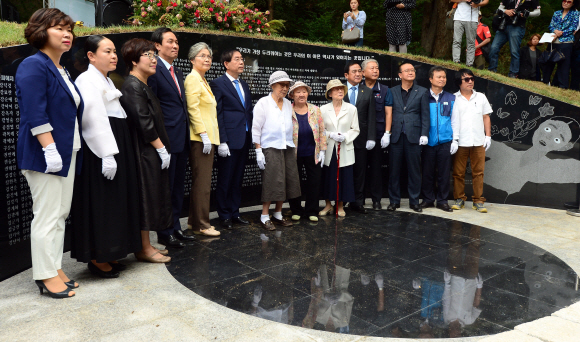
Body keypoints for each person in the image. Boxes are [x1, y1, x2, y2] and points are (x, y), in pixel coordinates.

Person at [16, 8, 82, 298]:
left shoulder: (61, 69)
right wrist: (50, 148)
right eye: (58, 28)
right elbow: (34, 110)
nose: (66, 34)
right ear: (42, 31)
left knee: (59, 214)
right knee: (47, 215)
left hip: (67, 152)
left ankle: (54, 267)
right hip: (45, 154)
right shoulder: (34, 64)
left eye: (68, 28)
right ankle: (44, 275)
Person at [70, 35, 141, 278]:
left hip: (116, 143)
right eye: (107, 51)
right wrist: (107, 154)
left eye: (114, 52)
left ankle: (111, 252)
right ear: (90, 56)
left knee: (116, 201)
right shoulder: (87, 79)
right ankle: (96, 257)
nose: (113, 56)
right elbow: (94, 120)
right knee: (102, 203)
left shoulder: (107, 80)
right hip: (100, 149)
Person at [120, 38, 172, 263]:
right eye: (148, 55)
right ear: (133, 60)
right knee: (146, 199)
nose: (154, 60)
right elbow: (143, 122)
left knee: (153, 198)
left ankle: (147, 244)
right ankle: (144, 248)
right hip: (144, 153)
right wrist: (160, 148)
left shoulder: (142, 84)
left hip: (150, 151)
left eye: (154, 55)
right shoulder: (132, 86)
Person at [148, 27, 196, 247]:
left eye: (176, 42)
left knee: (178, 187)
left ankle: (176, 227)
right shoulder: (153, 69)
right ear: (157, 45)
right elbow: (152, 106)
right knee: (165, 189)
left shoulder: (176, 71)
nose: (175, 46)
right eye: (170, 42)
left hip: (181, 138)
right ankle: (164, 231)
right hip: (165, 139)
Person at [252, 71, 301, 230]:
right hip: (270, 147)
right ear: (273, 85)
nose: (285, 88)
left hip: (286, 146)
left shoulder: (287, 103)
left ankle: (278, 213)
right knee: (272, 181)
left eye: (287, 85)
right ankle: (264, 216)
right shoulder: (263, 103)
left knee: (286, 180)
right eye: (282, 85)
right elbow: (256, 128)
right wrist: (258, 150)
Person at [210, 49, 253, 230]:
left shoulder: (244, 84)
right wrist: (222, 141)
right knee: (225, 179)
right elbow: (218, 114)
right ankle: (224, 214)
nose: (241, 62)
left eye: (242, 59)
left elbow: (246, 112)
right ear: (226, 64)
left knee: (237, 179)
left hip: (244, 138)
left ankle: (235, 212)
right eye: (237, 59)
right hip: (228, 140)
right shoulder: (218, 84)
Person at [185, 42, 221, 237]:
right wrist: (203, 134)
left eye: (209, 56)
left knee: (201, 182)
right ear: (192, 60)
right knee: (203, 184)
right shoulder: (192, 79)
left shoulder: (202, 80)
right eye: (202, 55)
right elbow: (193, 108)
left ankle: (193, 221)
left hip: (208, 138)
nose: (207, 59)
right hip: (200, 139)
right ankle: (202, 225)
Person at [387, 62, 429, 213]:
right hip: (396, 136)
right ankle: (394, 201)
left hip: (414, 136)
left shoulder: (423, 91)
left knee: (414, 171)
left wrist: (424, 133)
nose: (411, 72)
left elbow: (425, 115)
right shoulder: (392, 91)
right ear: (400, 75)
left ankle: (414, 201)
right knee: (394, 171)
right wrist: (387, 133)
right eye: (407, 70)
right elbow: (389, 112)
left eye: (412, 70)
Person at [450, 69, 492, 213]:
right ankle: (459, 199)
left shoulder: (481, 97)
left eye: (472, 79)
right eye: (466, 79)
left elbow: (486, 117)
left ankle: (478, 200)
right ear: (459, 82)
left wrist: (488, 136)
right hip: (460, 141)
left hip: (478, 141)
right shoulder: (453, 98)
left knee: (478, 172)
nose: (470, 81)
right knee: (458, 173)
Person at [319, 79, 360, 217]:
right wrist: (331, 134)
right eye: (336, 89)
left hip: (345, 148)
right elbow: (320, 130)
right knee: (327, 177)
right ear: (330, 93)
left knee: (343, 177)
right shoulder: (323, 109)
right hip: (329, 148)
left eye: (341, 89)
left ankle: (340, 205)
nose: (340, 91)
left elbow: (356, 129)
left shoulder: (351, 109)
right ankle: (328, 205)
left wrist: (345, 136)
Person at [287, 81, 327, 222]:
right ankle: (296, 210)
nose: (301, 94)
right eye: (298, 92)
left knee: (314, 183)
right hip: (293, 154)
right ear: (292, 95)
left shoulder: (315, 110)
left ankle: (312, 211)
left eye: (304, 91)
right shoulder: (287, 110)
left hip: (313, 153)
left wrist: (322, 150)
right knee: (294, 183)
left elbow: (322, 130)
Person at [420, 66, 455, 212]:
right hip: (428, 141)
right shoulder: (423, 96)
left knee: (444, 173)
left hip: (445, 141)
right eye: (439, 77)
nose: (442, 79)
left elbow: (455, 120)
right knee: (427, 172)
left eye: (444, 77)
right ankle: (428, 199)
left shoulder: (451, 97)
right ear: (430, 79)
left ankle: (442, 200)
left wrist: (455, 139)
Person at [343, 61, 375, 214]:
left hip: (361, 138)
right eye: (354, 71)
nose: (357, 74)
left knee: (360, 171)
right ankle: (342, 200)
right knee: (344, 171)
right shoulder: (339, 90)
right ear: (346, 75)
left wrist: (371, 137)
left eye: (359, 71)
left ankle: (358, 202)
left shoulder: (367, 91)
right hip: (343, 138)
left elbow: (371, 117)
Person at [362, 58, 393, 210]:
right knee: (359, 169)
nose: (375, 71)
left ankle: (376, 200)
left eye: (377, 68)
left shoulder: (385, 90)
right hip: (360, 136)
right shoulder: (357, 88)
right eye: (372, 68)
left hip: (379, 135)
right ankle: (358, 199)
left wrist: (387, 133)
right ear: (363, 72)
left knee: (376, 169)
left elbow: (388, 113)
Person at [487, 0, 540, 77]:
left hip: (518, 26)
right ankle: (492, 70)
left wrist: (527, 13)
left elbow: (538, 12)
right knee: (494, 47)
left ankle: (513, 73)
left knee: (514, 51)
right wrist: (506, 11)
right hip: (504, 24)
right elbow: (500, 8)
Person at [542, 0, 580, 88]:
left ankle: (562, 87)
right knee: (548, 61)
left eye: (569, 1)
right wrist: (555, 31)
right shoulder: (557, 13)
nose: (565, 3)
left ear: (573, 4)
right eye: (564, 1)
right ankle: (544, 82)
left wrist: (560, 33)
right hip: (553, 40)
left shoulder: (576, 14)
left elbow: (573, 28)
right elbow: (551, 25)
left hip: (566, 41)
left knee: (564, 65)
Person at [451, 0, 489, 67]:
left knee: (471, 42)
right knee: (457, 40)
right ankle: (456, 61)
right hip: (459, 17)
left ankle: (469, 64)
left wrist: (478, 4)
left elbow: (486, 1)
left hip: (473, 19)